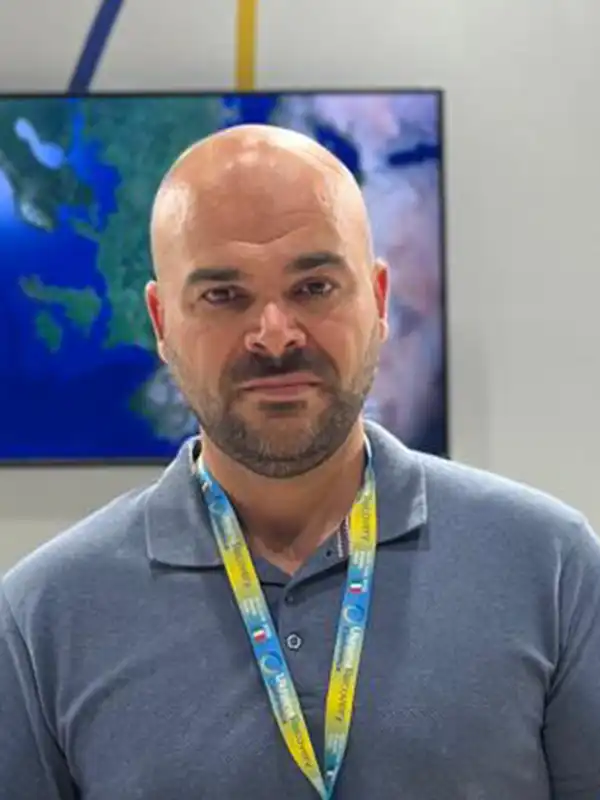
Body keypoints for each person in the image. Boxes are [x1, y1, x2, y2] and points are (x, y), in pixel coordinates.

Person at [1, 124, 599, 800]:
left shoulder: (549, 565)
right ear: (162, 323)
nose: (276, 335)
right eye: (224, 295)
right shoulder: (43, 616)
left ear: (377, 300)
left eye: (314, 287)